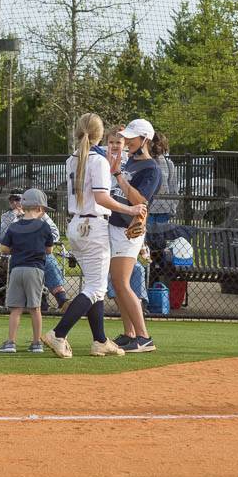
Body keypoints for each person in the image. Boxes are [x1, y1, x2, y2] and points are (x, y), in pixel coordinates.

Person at [41, 113, 147, 359]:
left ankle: (100, 340)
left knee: (94, 284)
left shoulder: (72, 159)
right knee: (95, 288)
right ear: (100, 135)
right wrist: (130, 209)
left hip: (76, 225)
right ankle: (58, 334)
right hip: (93, 226)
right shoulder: (97, 160)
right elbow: (101, 198)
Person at [109, 119, 163, 353]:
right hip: (116, 225)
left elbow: (140, 201)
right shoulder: (130, 161)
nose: (128, 140)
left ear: (145, 140)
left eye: (132, 137)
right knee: (117, 283)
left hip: (127, 230)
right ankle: (130, 333)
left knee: (121, 282)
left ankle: (144, 336)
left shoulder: (152, 169)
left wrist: (119, 175)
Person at [0, 188, 56, 354]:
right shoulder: (43, 226)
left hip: (17, 269)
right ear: (38, 208)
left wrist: (18, 249)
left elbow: (4, 247)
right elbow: (49, 249)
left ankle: (11, 342)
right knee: (35, 307)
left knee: (15, 308)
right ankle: (37, 342)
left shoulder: (15, 226)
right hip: (35, 270)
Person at [0, 189, 69, 311]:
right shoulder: (7, 217)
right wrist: (14, 216)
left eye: (17, 199)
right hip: (16, 255)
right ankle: (58, 298)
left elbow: (55, 234)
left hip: (38, 253)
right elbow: (1, 238)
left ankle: (61, 299)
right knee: (44, 257)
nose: (14, 203)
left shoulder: (42, 216)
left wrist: (36, 240)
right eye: (12, 200)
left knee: (48, 258)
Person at [148, 131, 180, 235]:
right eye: (154, 143)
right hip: (147, 209)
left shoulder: (169, 164)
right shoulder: (144, 162)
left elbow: (174, 188)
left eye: (159, 144)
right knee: (147, 237)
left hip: (164, 209)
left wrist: (173, 207)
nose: (156, 146)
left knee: (160, 239)